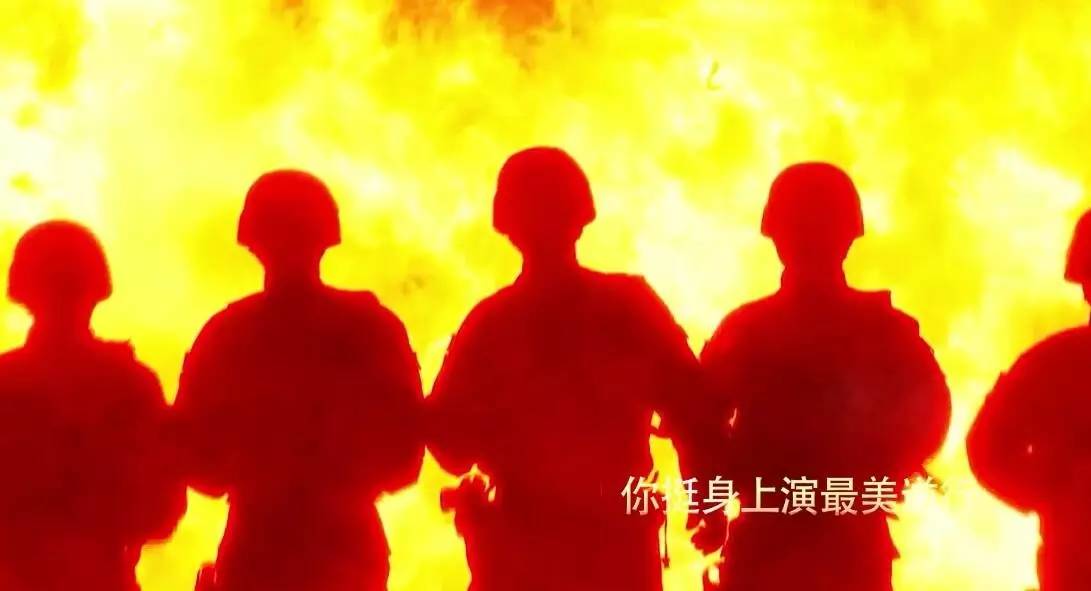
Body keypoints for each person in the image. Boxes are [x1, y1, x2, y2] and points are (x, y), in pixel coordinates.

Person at [427, 147, 726, 591]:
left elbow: (450, 448)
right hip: (614, 548)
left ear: (506, 224)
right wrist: (708, 503)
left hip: (524, 550)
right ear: (582, 215)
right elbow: (692, 414)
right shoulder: (629, 306)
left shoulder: (491, 323)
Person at [701, 162, 951, 590]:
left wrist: (711, 504)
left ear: (775, 235)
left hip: (773, 534)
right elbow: (931, 414)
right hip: (846, 539)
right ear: (850, 235)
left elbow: (699, 421)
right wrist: (889, 467)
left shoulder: (747, 328)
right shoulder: (885, 329)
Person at [173, 170, 424, 591]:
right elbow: (404, 457)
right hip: (345, 543)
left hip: (260, 543)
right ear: (327, 235)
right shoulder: (370, 328)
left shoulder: (228, 334)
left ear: (251, 240)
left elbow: (197, 462)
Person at [0, 220, 185, 591]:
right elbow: (163, 509)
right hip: (101, 573)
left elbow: (162, 505)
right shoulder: (130, 382)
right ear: (95, 289)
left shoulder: (7, 381)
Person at [967, 210, 1091, 591]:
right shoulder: (1054, 364)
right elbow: (987, 447)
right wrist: (1054, 491)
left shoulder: (1051, 362)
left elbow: (986, 447)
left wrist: (1053, 492)